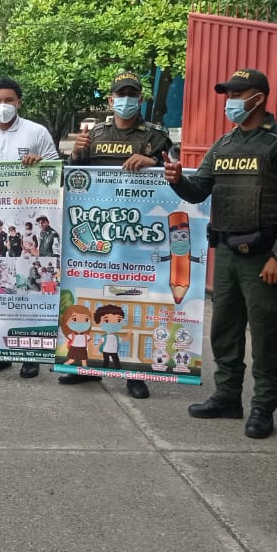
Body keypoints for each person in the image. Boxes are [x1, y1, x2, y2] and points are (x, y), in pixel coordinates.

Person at [163, 68, 277, 439]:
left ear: (259, 97)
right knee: (224, 330)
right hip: (227, 253)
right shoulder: (225, 144)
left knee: (265, 332)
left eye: (237, 93)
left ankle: (263, 407)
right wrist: (179, 178)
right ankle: (227, 397)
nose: (230, 101)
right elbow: (199, 191)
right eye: (227, 93)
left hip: (264, 255)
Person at [64, 71, 174, 396]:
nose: (126, 100)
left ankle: (135, 373)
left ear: (140, 99)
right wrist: (75, 154)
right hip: (97, 233)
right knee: (94, 299)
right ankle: (89, 367)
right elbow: (74, 178)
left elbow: (172, 177)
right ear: (111, 100)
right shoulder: (94, 134)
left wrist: (152, 162)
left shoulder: (157, 136)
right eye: (120, 94)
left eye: (133, 94)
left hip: (136, 235)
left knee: (129, 298)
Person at [0, 77, 61, 379]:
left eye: (8, 100)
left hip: (26, 226)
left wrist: (40, 164)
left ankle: (30, 354)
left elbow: (55, 174)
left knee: (27, 290)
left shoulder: (37, 132)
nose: (2, 106)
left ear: (19, 102)